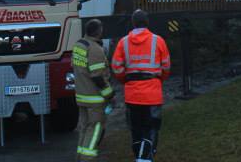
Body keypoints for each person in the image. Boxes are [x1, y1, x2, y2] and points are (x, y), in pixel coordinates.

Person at [111, 9, 170, 161]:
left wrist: (126, 80)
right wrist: (158, 80)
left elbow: (116, 67)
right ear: (147, 22)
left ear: (133, 23)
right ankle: (145, 158)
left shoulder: (123, 42)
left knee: (136, 129)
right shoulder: (158, 41)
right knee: (151, 129)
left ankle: (139, 156)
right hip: (152, 93)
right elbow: (166, 67)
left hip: (132, 94)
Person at [72, 18, 114, 160]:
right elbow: (97, 77)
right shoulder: (95, 49)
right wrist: (109, 94)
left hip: (82, 96)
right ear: (98, 31)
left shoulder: (79, 45)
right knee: (95, 129)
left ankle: (79, 157)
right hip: (94, 99)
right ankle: (87, 158)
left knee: (84, 128)